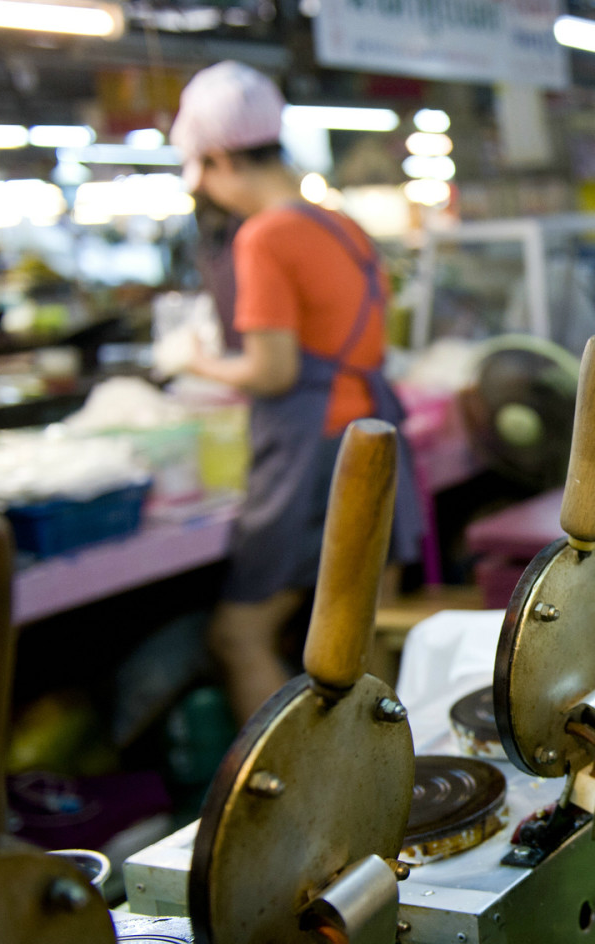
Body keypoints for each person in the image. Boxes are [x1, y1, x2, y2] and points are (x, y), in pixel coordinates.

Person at [170, 62, 424, 725]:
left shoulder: (264, 236)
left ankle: (293, 803)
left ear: (220, 159)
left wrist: (196, 360)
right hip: (378, 438)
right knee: (365, 642)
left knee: (240, 633)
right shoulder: (344, 225)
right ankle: (383, 790)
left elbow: (273, 371)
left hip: (315, 456)